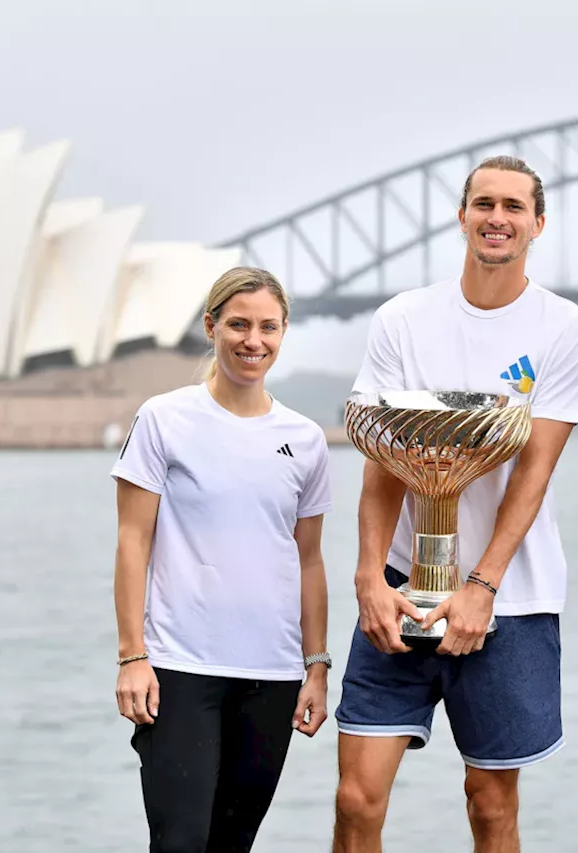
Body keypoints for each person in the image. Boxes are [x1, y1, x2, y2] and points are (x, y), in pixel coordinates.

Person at [331, 155, 578, 853]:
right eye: (484, 203)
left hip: (509, 598)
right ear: (462, 216)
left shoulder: (564, 328)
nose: (497, 218)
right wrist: (367, 580)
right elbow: (384, 463)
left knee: (489, 804)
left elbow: (532, 473)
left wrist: (481, 585)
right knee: (356, 799)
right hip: (400, 588)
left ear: (538, 224)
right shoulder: (403, 319)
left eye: (514, 206)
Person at [110, 266, 334, 853]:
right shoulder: (164, 418)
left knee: (232, 843)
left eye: (267, 327)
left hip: (273, 673)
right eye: (237, 324)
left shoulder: (305, 439)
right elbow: (133, 540)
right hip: (180, 669)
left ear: (283, 333)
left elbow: (308, 559)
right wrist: (133, 655)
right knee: (181, 842)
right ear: (211, 327)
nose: (252, 340)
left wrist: (316, 666)